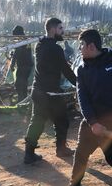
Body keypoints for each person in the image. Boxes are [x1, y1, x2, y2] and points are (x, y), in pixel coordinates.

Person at [50, 29, 112, 186]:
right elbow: (82, 97)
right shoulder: (82, 70)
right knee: (81, 155)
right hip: (90, 122)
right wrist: (92, 122)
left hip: (111, 121)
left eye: (81, 45)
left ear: (91, 46)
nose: (80, 48)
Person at [23, 17, 77, 164]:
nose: (62, 31)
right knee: (62, 120)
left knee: (37, 122)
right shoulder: (55, 49)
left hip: (38, 90)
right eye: (60, 28)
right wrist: (79, 84)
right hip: (51, 93)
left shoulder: (39, 45)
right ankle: (61, 149)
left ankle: (29, 154)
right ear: (52, 29)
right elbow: (65, 70)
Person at [8, 25, 34, 103]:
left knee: (19, 84)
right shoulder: (27, 40)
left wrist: (12, 64)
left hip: (23, 65)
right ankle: (24, 101)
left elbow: (17, 52)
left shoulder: (21, 40)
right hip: (28, 65)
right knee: (24, 83)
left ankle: (21, 101)